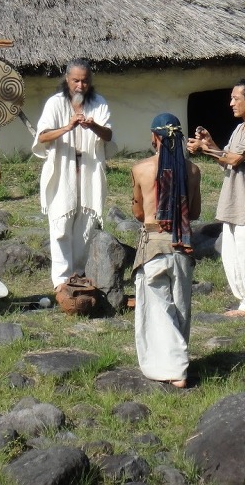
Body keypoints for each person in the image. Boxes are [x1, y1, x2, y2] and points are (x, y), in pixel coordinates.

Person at [187, 79, 245, 328]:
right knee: (233, 254)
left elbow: (236, 158)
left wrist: (205, 150)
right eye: (231, 98)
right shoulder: (239, 130)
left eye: (236, 98)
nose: (231, 103)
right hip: (234, 199)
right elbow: (225, 159)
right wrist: (210, 143)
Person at [131, 113, 201, 388]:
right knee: (180, 309)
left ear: (155, 138)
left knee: (157, 310)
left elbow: (138, 212)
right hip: (182, 246)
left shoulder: (140, 169)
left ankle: (173, 368)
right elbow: (193, 212)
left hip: (153, 247)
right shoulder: (193, 171)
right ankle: (178, 363)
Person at [31, 58, 113, 292]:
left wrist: (92, 126)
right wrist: (67, 127)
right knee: (60, 225)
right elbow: (42, 137)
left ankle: (79, 273)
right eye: (76, 80)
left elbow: (108, 135)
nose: (80, 86)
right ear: (67, 79)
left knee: (86, 225)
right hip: (62, 171)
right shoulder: (55, 104)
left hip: (88, 171)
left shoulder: (98, 103)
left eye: (85, 81)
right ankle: (61, 280)